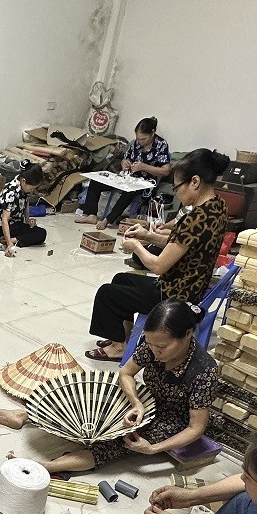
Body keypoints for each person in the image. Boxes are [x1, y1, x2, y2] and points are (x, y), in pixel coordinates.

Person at [0, 300, 216, 474]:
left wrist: (154, 449)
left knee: (116, 441)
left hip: (170, 420)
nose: (155, 351)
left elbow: (196, 428)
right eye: (151, 344)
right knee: (91, 396)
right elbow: (126, 373)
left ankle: (46, 466)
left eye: (161, 347)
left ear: (187, 335)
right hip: (145, 401)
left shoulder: (203, 370)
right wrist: (136, 403)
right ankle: (23, 415)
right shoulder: (154, 345)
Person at [86, 148, 230, 362]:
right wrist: (147, 236)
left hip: (177, 296)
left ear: (195, 182)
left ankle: (118, 348)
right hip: (187, 287)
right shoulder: (217, 207)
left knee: (107, 293)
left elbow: (158, 266)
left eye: (177, 187)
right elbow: (181, 243)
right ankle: (123, 339)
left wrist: (136, 246)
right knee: (121, 279)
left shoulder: (196, 218)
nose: (177, 193)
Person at [76, 117, 171, 230]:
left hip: (145, 183)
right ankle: (91, 215)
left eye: (143, 139)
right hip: (128, 177)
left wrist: (144, 167)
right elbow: (125, 159)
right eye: (138, 139)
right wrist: (124, 163)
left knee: (129, 192)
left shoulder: (161, 145)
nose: (140, 142)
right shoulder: (135, 144)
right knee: (96, 182)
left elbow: (166, 171)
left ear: (152, 133)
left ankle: (108, 220)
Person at [0, 164, 48, 257]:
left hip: (17, 224)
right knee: (39, 234)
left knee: (42, 233)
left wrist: (28, 220)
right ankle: (10, 240)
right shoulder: (11, 192)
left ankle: (14, 239)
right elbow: (4, 220)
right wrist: (9, 244)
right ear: (24, 181)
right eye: (31, 188)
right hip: (7, 226)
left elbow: (26, 204)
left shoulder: (23, 187)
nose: (31, 191)